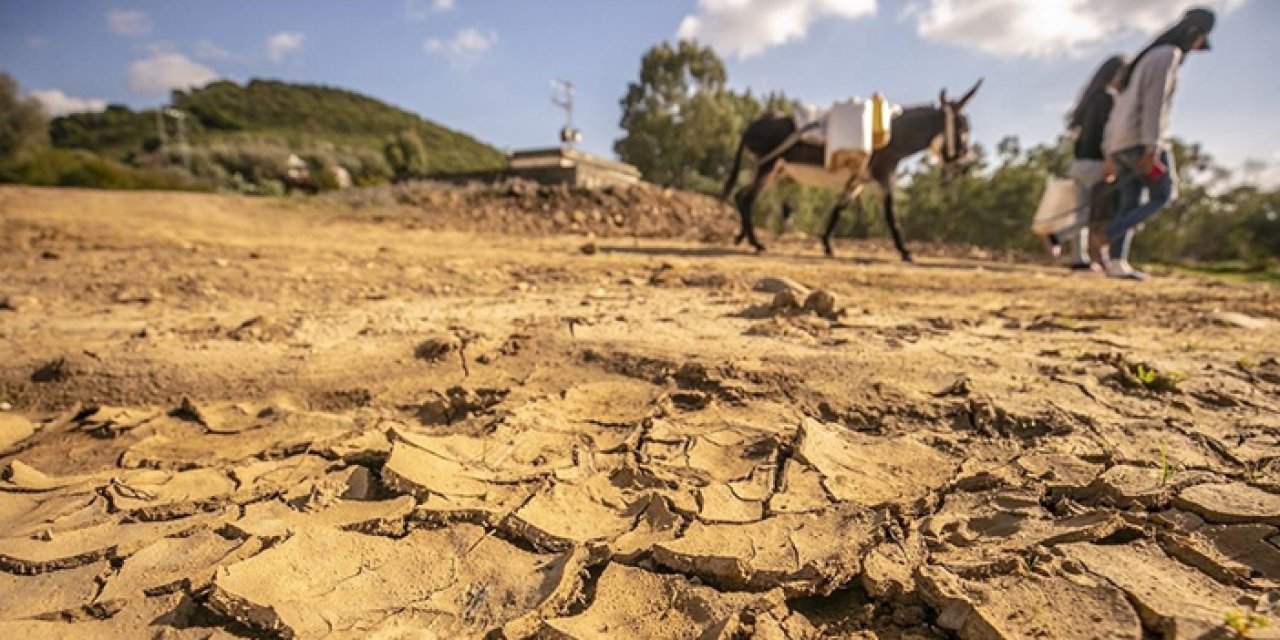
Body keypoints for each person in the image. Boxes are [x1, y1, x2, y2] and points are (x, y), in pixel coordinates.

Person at [1094, 7, 1216, 280]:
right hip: (1141, 140)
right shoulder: (1167, 56)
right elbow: (1155, 105)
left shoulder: (1142, 59)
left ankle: (1116, 262)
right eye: (1200, 42)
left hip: (1121, 143)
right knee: (1164, 195)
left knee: (1130, 201)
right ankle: (1108, 234)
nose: (1197, 49)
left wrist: (1110, 152)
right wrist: (1152, 147)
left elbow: (1119, 111)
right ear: (1194, 34)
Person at [1054, 54, 1130, 272]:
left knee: (1080, 211)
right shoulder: (1109, 99)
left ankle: (1079, 258)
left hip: (1078, 163)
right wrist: (1112, 160)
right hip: (1098, 163)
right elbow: (1110, 135)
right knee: (1099, 214)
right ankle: (1059, 237)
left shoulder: (1089, 99)